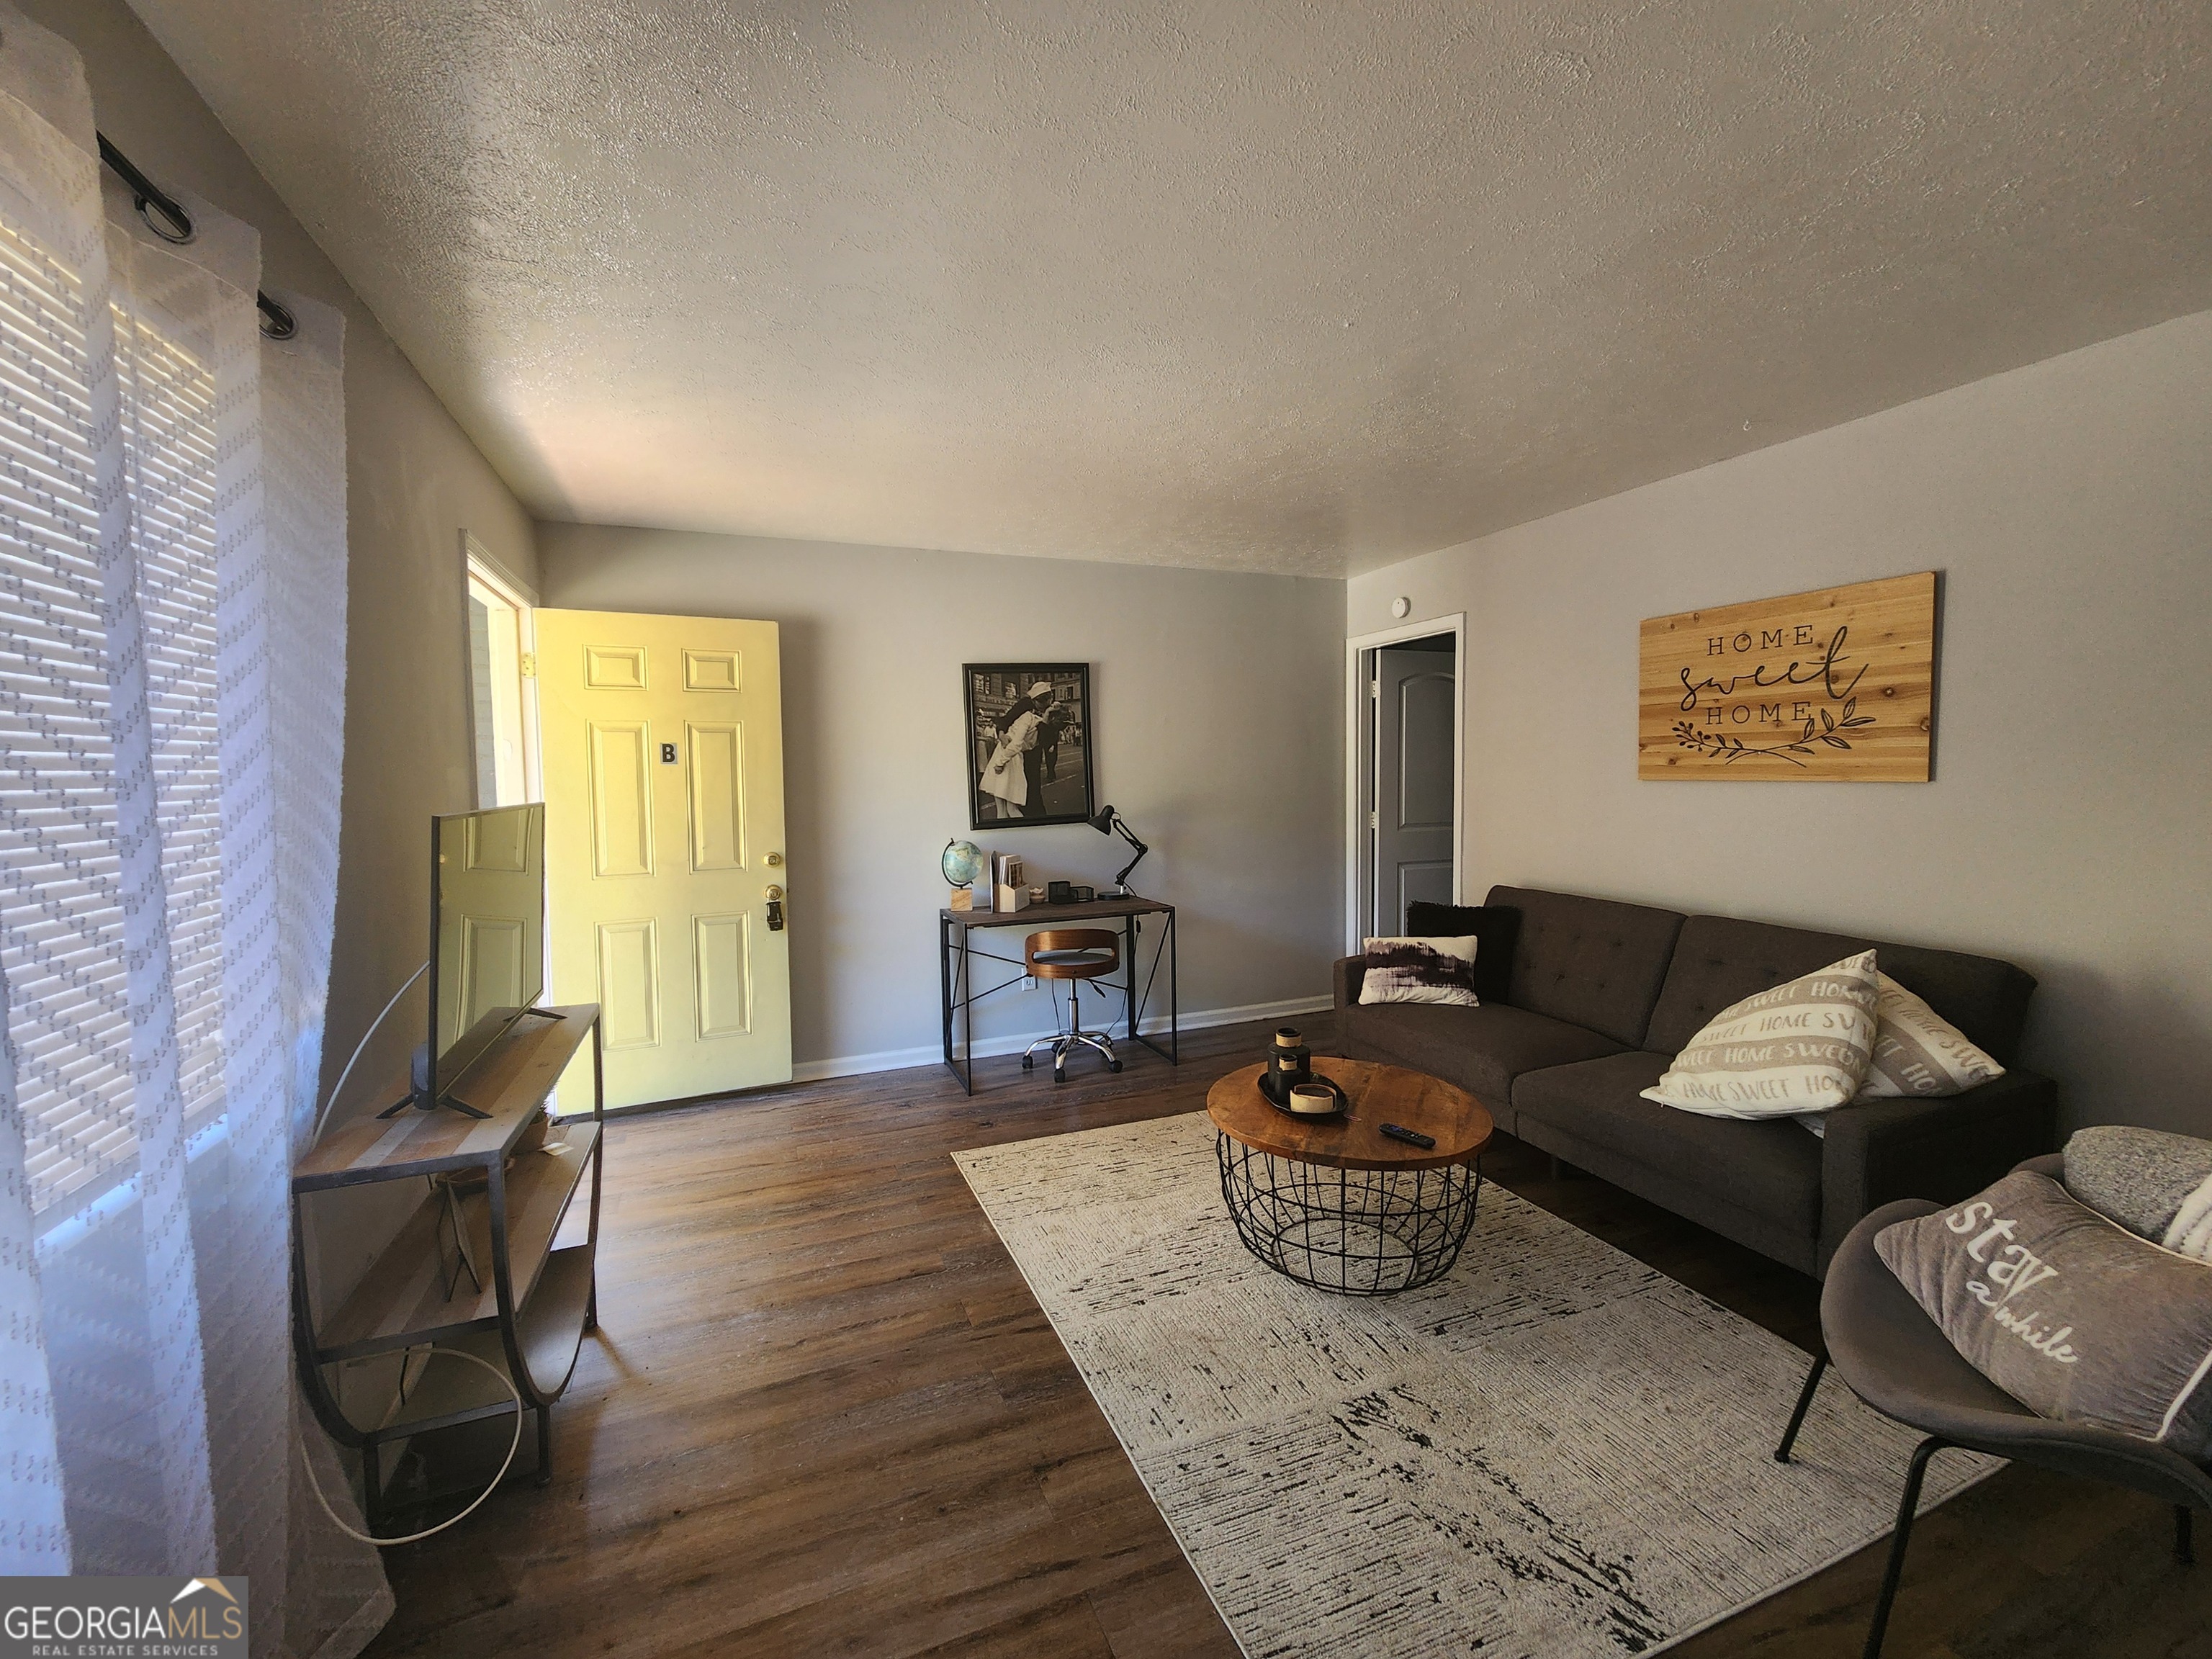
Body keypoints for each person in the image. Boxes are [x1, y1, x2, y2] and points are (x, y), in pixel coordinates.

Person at [979, 696, 1043, 820]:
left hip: (1007, 757)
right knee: (1007, 808)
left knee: (1007, 809)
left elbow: (1016, 744)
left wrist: (1000, 762)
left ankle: (1023, 835)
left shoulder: (1027, 718)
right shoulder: (1035, 720)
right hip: (1012, 757)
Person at [1017, 682, 1056, 814]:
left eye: (1048, 700)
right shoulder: (1024, 708)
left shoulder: (1051, 711)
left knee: (1033, 790)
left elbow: (1047, 738)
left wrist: (1048, 717)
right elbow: (1006, 721)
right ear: (1034, 701)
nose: (1045, 705)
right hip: (1019, 754)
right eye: (1041, 702)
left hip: (1033, 754)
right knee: (1021, 792)